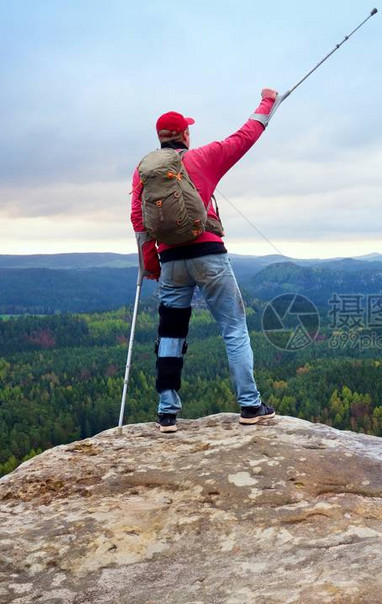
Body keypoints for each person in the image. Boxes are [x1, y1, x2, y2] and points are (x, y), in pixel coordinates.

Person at [130, 89, 278, 432]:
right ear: (184, 135)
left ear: (159, 139)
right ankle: (250, 405)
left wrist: (151, 264)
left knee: (170, 333)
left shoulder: (143, 173)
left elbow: (140, 223)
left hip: (170, 261)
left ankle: (167, 412)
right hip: (208, 254)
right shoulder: (203, 158)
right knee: (233, 328)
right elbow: (246, 135)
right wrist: (268, 102)